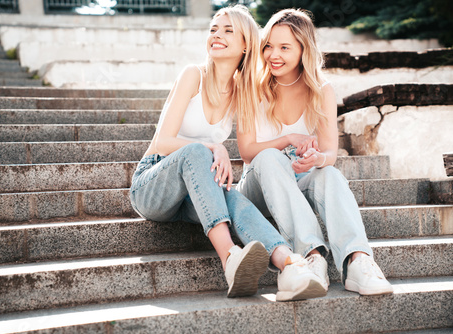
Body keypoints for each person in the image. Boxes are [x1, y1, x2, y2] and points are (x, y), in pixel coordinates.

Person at [129, 5, 326, 301]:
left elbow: (250, 150)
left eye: (227, 30)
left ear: (246, 44)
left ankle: (289, 265)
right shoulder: (193, 75)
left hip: (193, 194)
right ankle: (229, 257)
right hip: (153, 186)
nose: (216, 35)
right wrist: (214, 147)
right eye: (213, 29)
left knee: (234, 198)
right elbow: (162, 142)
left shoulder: (242, 92)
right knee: (197, 152)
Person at [236, 8, 393, 296]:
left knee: (329, 174)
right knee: (269, 156)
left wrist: (316, 158)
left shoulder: (321, 90)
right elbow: (246, 152)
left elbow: (330, 152)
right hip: (256, 184)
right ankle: (311, 254)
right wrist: (288, 139)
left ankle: (358, 261)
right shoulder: (252, 87)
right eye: (268, 46)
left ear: (303, 50)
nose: (273, 55)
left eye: (285, 47)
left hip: (300, 178)